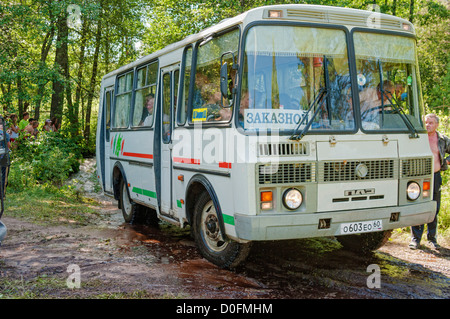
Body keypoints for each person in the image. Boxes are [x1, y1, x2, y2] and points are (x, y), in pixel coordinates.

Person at [409, 113, 450, 250]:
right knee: (417, 206)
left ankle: (432, 239)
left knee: (434, 207)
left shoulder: (442, 139)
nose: (427, 125)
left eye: (431, 123)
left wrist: (447, 161)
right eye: (426, 122)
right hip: (419, 177)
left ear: (437, 124)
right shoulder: (418, 138)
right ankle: (415, 239)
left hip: (435, 176)